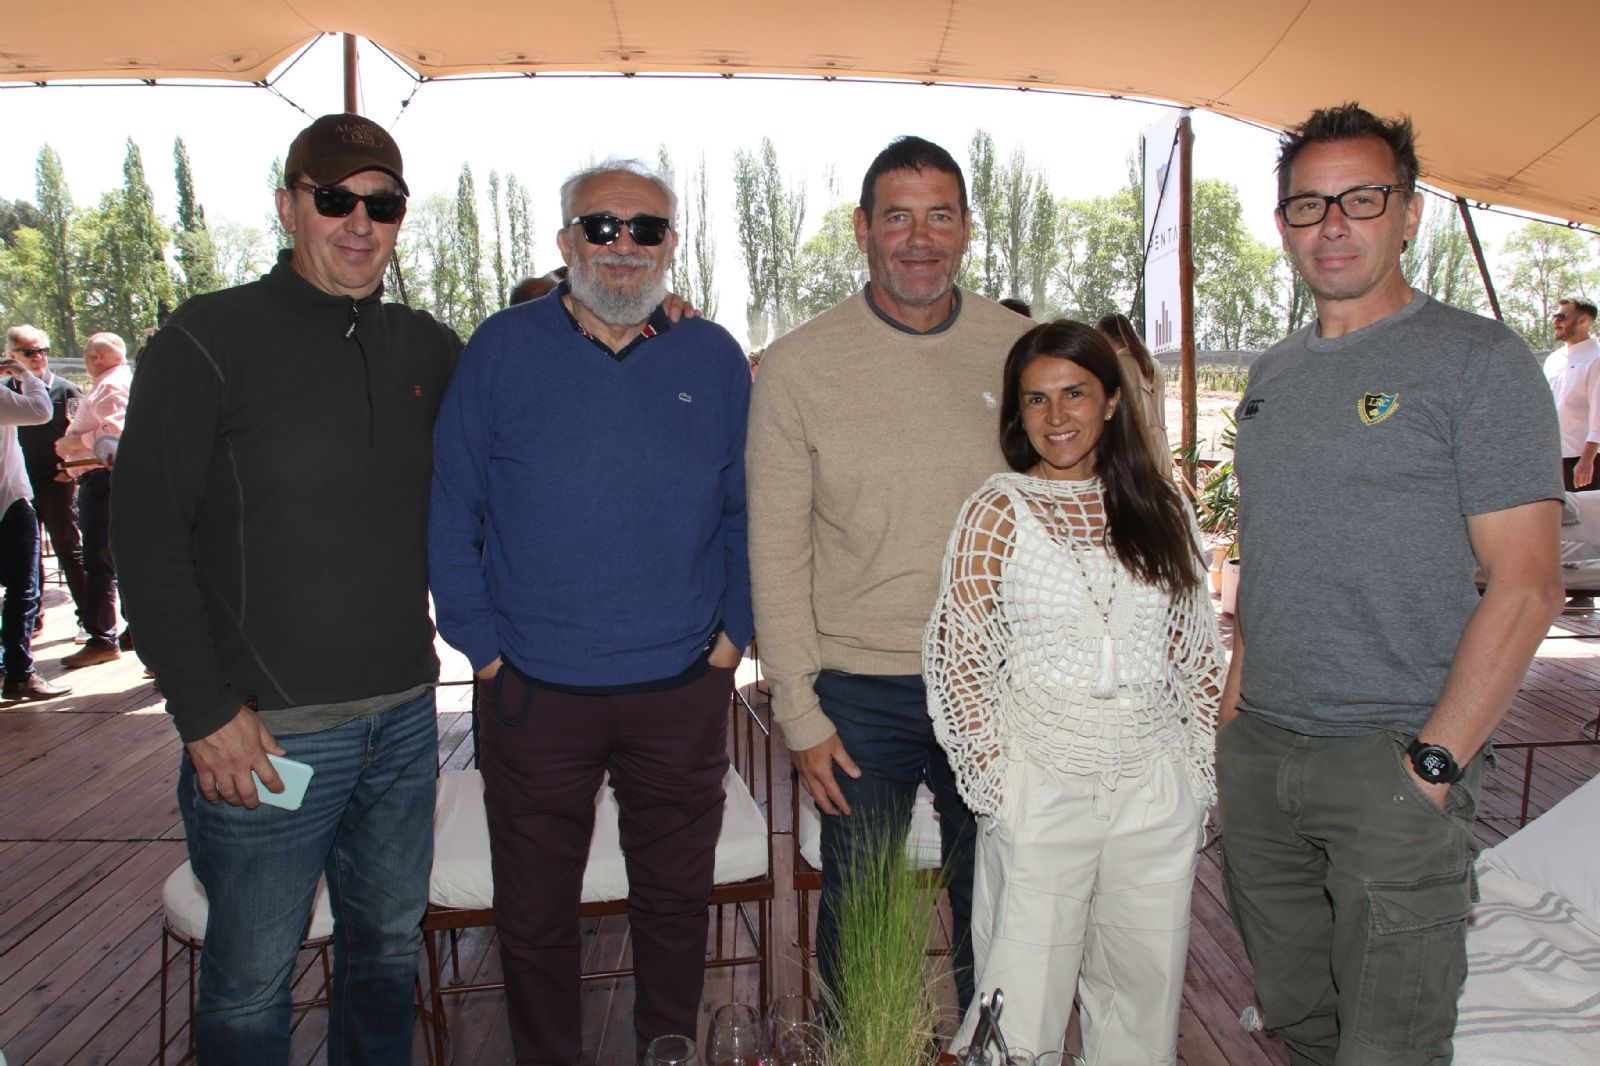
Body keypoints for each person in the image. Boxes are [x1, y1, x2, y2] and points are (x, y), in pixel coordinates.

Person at [1217, 103, 1563, 1066]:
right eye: (1309, 204)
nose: (1333, 224)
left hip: (1395, 760)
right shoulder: (1273, 375)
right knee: (1301, 1020)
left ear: (1409, 214)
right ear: (1283, 222)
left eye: (1361, 199)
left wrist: (1434, 765)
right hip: (1262, 756)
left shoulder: (1477, 361)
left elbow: (1528, 585)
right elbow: (1269, 543)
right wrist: (1235, 707)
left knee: (1391, 1044)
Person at [113, 113, 461, 1064]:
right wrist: (203, 712)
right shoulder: (207, 337)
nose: (360, 222)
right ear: (287, 206)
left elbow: (526, 408)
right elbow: (144, 541)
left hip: (404, 719)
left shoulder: (426, 346)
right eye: (335, 199)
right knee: (251, 982)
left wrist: (645, 322)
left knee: (386, 950)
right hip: (265, 736)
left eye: (383, 204)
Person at [428, 159, 752, 1064]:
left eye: (645, 228)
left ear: (671, 245)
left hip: (680, 685)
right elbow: (452, 510)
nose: (622, 245)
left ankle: (666, 1053)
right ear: (566, 240)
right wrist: (485, 652)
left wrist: (733, 640)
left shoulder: (712, 357)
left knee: (676, 905)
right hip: (534, 692)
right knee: (533, 917)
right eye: (600, 226)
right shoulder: (501, 348)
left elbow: (749, 510)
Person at [746, 135, 1031, 1011]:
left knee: (1005, 911)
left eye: (939, 215)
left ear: (967, 228)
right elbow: (776, 546)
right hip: (857, 694)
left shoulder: (1023, 350)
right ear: (863, 229)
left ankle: (997, 1053)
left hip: (997, 681)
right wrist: (798, 712)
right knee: (861, 924)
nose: (919, 238)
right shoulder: (798, 365)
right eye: (898, 217)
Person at [926, 320, 1221, 1062]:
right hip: (1039, 785)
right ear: (1017, 413)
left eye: (1074, 394)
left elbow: (1196, 654)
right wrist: (999, 786)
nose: (1056, 416)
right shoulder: (998, 509)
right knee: (1018, 1003)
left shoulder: (1163, 506)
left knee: (1142, 999)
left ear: (1112, 401)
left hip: (1154, 788)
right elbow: (960, 659)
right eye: (1036, 399)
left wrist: (1194, 775)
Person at [6, 325, 87, 639]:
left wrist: (68, 471)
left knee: (69, 549)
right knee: (28, 556)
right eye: (29, 352)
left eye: (43, 350)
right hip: (19, 487)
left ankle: (88, 620)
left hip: (56, 482)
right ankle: (33, 620)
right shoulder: (6, 391)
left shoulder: (65, 390)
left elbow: (81, 432)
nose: (38, 357)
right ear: (11, 354)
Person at [55, 331, 129, 668]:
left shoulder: (111, 385)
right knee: (117, 559)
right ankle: (131, 632)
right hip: (102, 479)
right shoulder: (114, 382)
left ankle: (102, 638)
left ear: (95, 358)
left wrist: (74, 443)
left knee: (100, 561)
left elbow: (115, 433)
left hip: (102, 480)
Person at [0, 346, 69, 702]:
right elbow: (41, 411)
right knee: (23, 590)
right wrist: (25, 374)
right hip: (8, 500)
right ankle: (19, 672)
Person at [1094, 312, 1170, 472]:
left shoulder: (1116, 364)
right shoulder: (1153, 363)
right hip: (1159, 448)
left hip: (1134, 450)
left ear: (1105, 336)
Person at [1542, 296, 1600, 492]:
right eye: (1554, 316)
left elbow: (1598, 415)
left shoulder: (1596, 358)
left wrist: (1587, 460)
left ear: (1583, 320)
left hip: (1585, 460)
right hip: (1554, 457)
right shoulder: (1553, 359)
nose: (1555, 321)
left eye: (1561, 317)